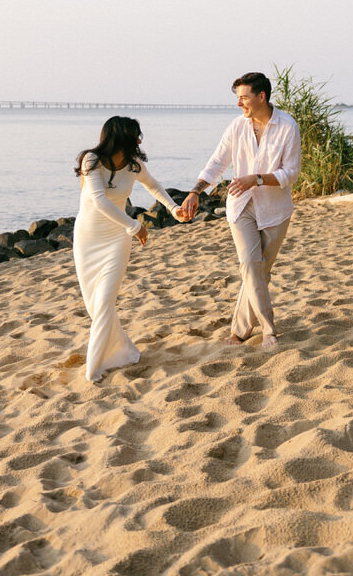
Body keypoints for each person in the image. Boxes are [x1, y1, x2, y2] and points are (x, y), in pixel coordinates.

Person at [179, 72, 301, 350]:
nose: (239, 104)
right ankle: (269, 330)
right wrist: (196, 191)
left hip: (275, 209)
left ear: (262, 96)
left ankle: (240, 331)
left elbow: (291, 174)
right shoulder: (236, 127)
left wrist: (256, 179)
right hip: (240, 207)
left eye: (243, 98)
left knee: (259, 272)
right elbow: (216, 163)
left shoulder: (287, 126)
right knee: (249, 265)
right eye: (238, 98)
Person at [73, 116, 186, 383]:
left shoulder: (134, 166)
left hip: (116, 240)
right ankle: (122, 351)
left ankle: (94, 368)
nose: (139, 139)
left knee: (104, 303)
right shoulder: (91, 161)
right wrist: (136, 226)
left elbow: (154, 186)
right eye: (135, 135)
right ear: (120, 137)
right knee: (94, 305)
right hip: (88, 239)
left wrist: (173, 209)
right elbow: (99, 201)